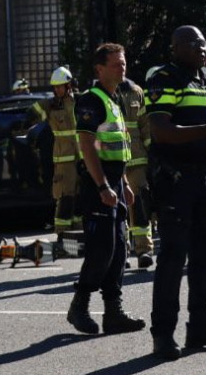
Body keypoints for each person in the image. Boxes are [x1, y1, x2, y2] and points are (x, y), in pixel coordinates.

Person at [144, 26, 206, 360]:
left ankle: (201, 328)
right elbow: (161, 131)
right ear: (175, 47)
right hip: (176, 180)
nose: (202, 48)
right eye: (194, 43)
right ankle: (163, 334)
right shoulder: (164, 78)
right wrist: (205, 130)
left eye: (204, 43)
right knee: (173, 258)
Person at [67, 43, 148, 336]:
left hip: (114, 182)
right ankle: (80, 305)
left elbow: (116, 145)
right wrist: (102, 185)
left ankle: (113, 313)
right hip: (96, 183)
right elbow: (88, 146)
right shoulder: (91, 100)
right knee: (102, 250)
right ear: (99, 69)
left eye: (123, 63)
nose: (122, 68)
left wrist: (123, 182)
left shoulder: (116, 100)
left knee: (118, 251)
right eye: (116, 64)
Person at [30, 67, 80, 258]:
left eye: (61, 87)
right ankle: (62, 239)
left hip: (83, 159)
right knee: (65, 198)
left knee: (82, 199)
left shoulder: (80, 101)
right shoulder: (51, 105)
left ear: (69, 85)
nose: (57, 90)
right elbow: (31, 113)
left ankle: (79, 239)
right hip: (64, 161)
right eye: (55, 87)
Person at [117, 73, 155, 269]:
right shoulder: (102, 94)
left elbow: (145, 124)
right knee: (118, 208)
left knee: (139, 205)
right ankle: (121, 253)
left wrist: (151, 151)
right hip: (114, 161)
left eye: (123, 65)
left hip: (137, 159)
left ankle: (144, 251)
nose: (120, 70)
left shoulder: (136, 92)